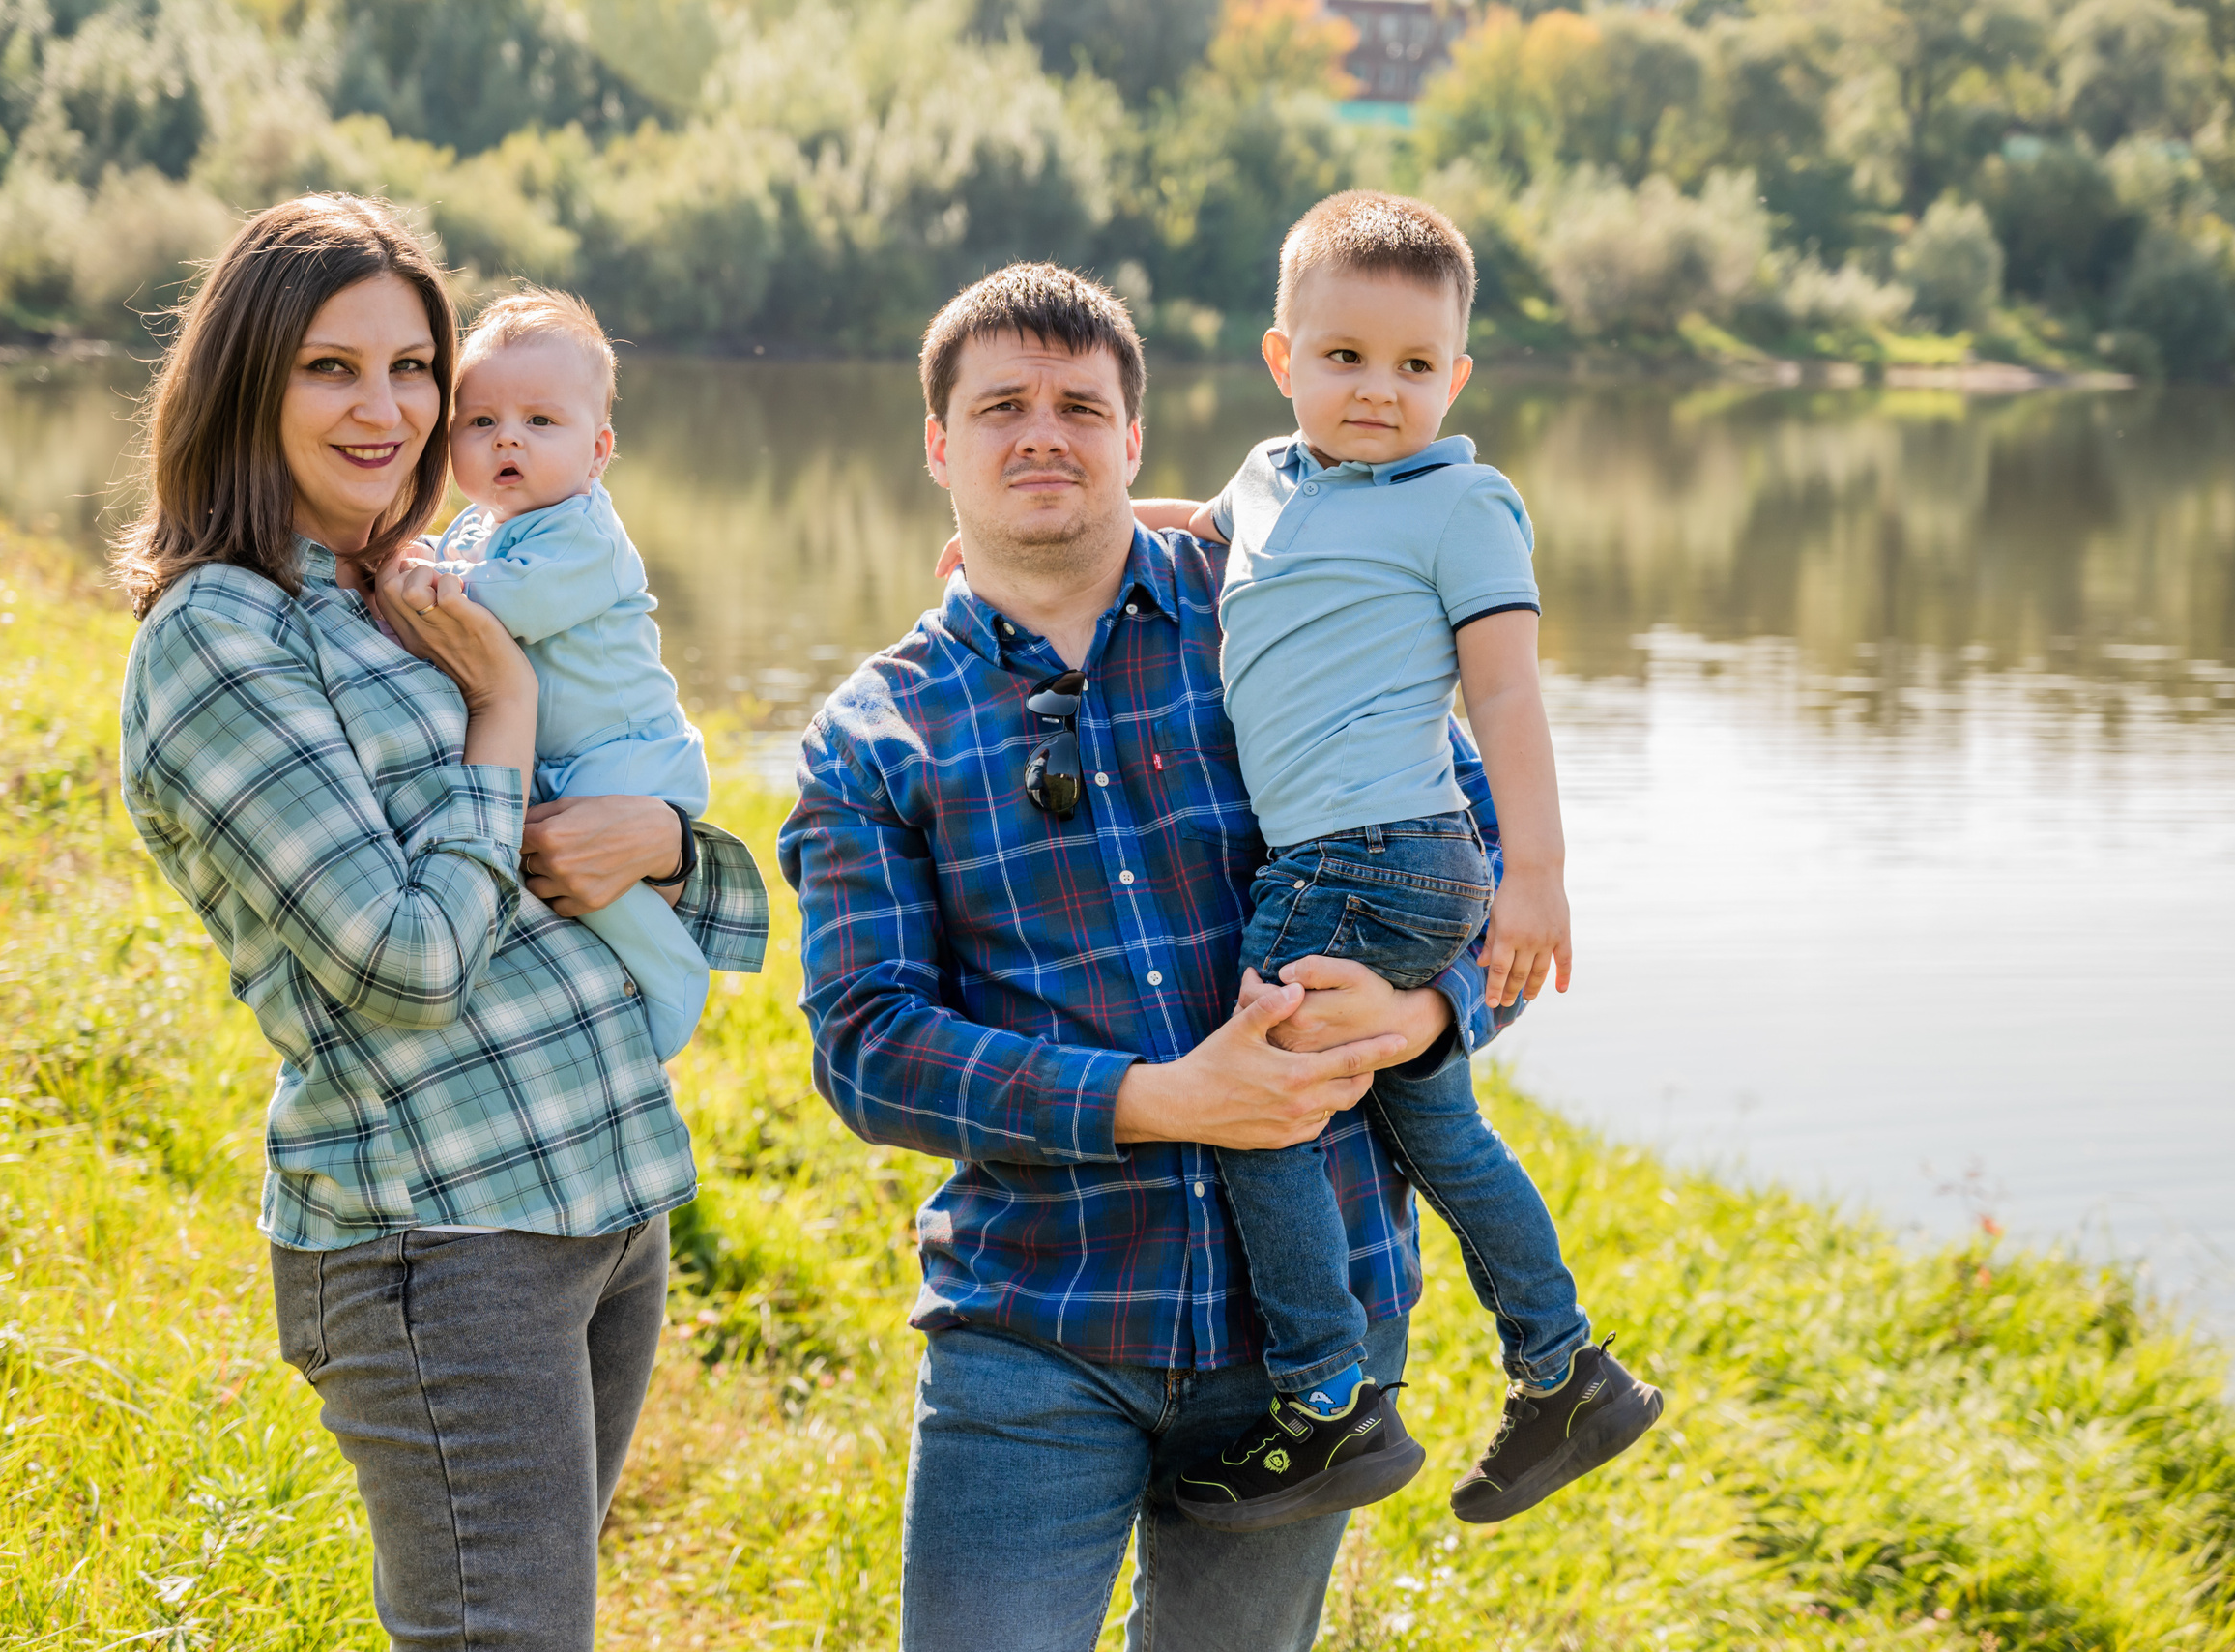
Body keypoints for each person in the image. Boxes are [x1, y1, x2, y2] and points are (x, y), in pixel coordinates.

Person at [778, 262, 1495, 1652]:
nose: (1042, 431)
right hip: (1040, 1314)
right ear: (938, 445)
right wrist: (1159, 1099)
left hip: (1310, 1337)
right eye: (1000, 406)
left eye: (1078, 404)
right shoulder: (876, 733)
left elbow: (1489, 869)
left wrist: (1418, 1017)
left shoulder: (1289, 615)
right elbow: (867, 1047)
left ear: (1134, 440)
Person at [111, 194, 767, 1652]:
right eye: (330, 368)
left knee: (538, 1623)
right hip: (441, 1230)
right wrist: (507, 715)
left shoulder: (407, 583)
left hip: (600, 1186)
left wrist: (661, 839)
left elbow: (606, 820)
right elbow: (405, 964)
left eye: (415, 368)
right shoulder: (223, 636)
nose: (389, 409)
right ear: (243, 381)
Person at [1136, 190, 1661, 1532]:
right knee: (1442, 1128)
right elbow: (1211, 524)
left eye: (1416, 366)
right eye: (1346, 359)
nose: (1380, 392)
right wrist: (1080, 528)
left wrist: (1536, 875)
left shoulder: (1463, 505)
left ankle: (1327, 1400)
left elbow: (1510, 701)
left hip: (1369, 860)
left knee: (1258, 1105)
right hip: (1373, 869)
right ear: (1283, 360)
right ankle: (1566, 1373)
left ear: (1459, 375)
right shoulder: (1270, 480)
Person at [421, 286, 713, 1062]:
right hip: (572, 760)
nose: (506, 441)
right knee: (565, 884)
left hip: (626, 757)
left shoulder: (586, 531)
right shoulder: (483, 524)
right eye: (482, 422)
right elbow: (457, 562)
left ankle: (674, 975)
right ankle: (600, 1008)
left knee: (600, 889)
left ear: (598, 449)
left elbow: (514, 601)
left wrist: (422, 589)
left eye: (539, 422)